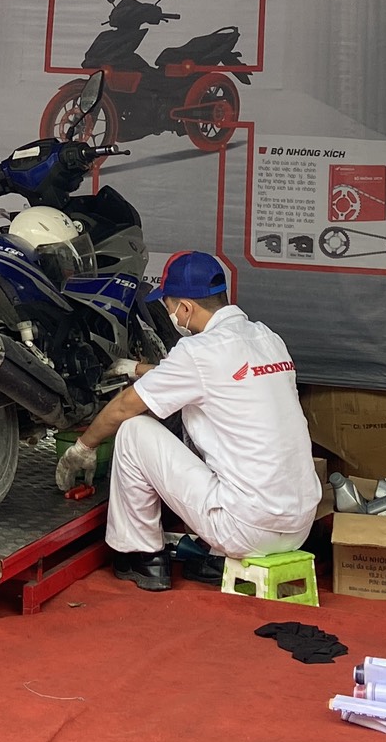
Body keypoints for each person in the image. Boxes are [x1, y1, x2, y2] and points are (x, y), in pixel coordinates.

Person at [54, 251, 317, 591]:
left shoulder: (198, 350)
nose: (170, 314)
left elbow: (124, 407)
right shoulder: (268, 339)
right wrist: (137, 369)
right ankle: (216, 557)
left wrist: (83, 447)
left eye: (168, 306)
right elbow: (213, 376)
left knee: (133, 430)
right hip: (298, 527)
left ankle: (143, 557)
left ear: (186, 308)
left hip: (246, 527)